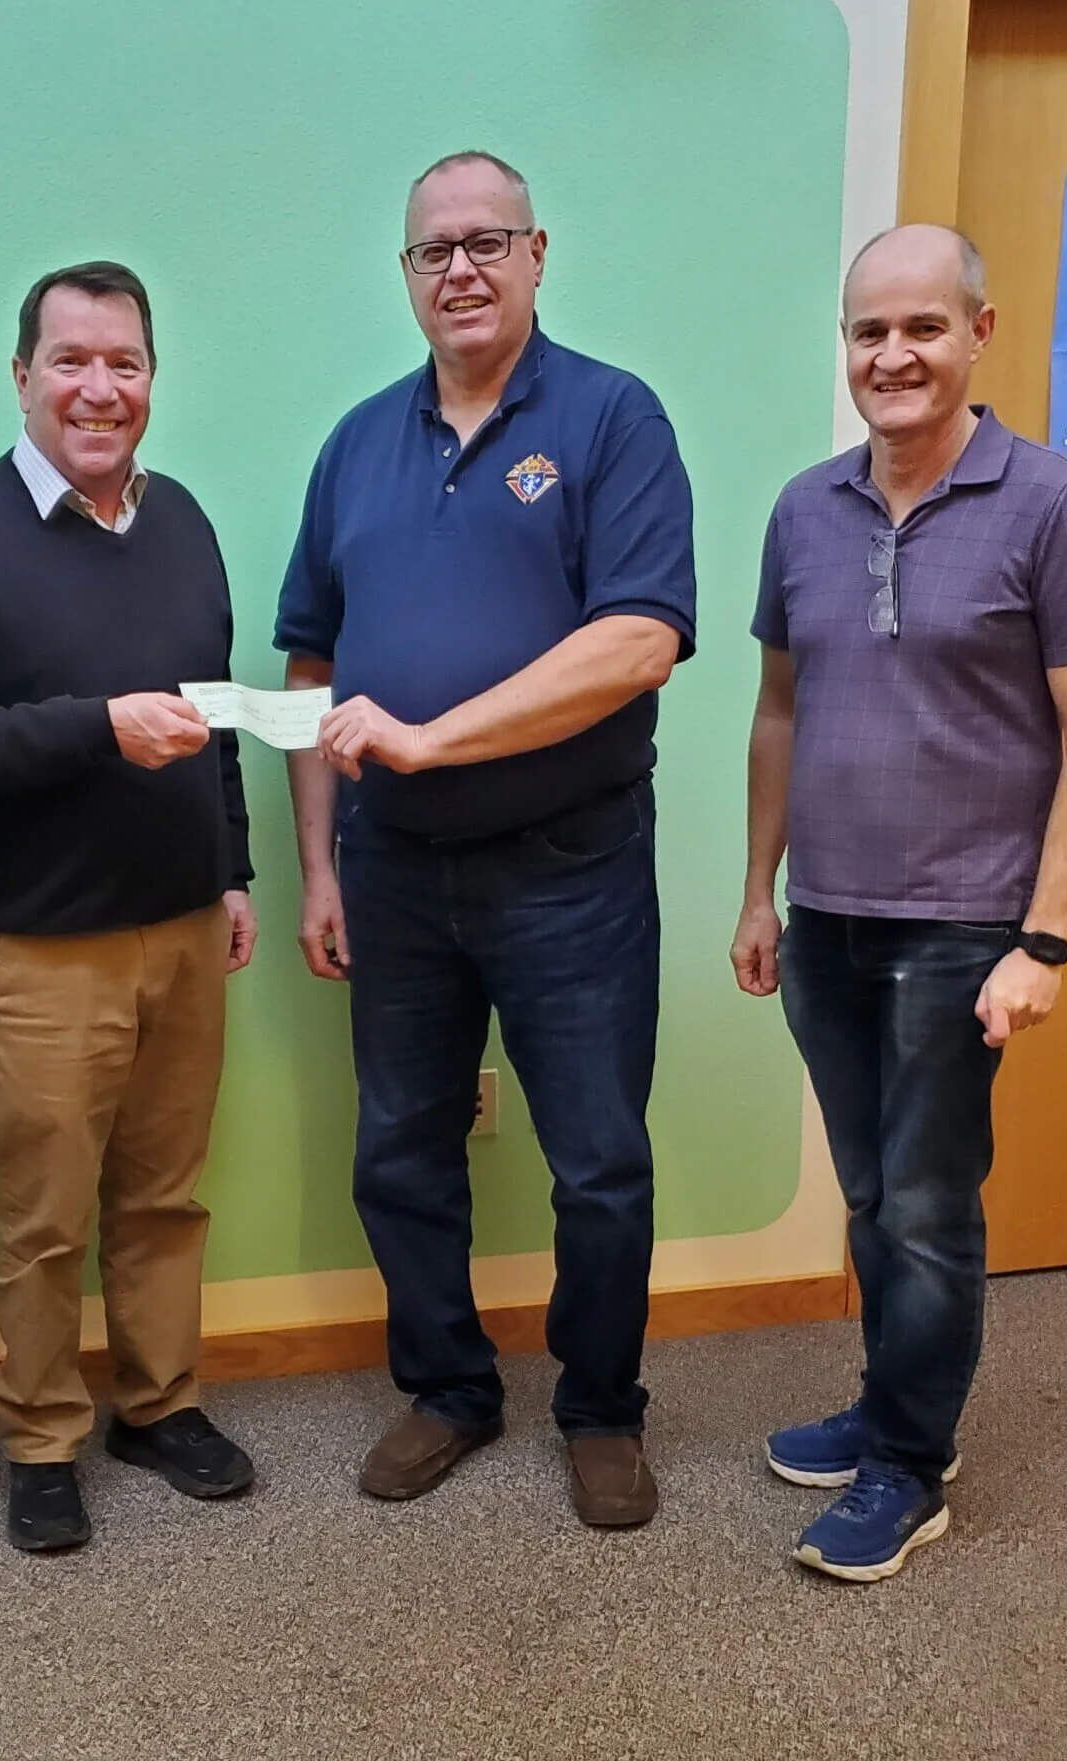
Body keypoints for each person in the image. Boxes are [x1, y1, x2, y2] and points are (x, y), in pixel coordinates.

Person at [274, 152, 696, 1527]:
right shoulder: (354, 444)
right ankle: (450, 1386)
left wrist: (435, 738)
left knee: (597, 1161)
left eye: (486, 243)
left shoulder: (611, 418)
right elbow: (311, 664)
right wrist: (324, 860)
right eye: (432, 250)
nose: (459, 268)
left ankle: (600, 1407)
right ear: (405, 275)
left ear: (535, 254)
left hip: (568, 867)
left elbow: (637, 642)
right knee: (398, 1143)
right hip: (393, 870)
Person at [731, 223, 1067, 1582]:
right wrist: (755, 890)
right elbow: (777, 714)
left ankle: (910, 1463)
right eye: (868, 333)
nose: (892, 356)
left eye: (921, 328)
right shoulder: (805, 507)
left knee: (926, 1198)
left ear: (981, 331)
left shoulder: (1055, 504)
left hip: (967, 925)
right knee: (870, 1188)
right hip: (828, 915)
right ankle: (894, 1405)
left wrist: (1046, 935)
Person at [0, 261, 258, 1553]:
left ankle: (159, 1403)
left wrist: (236, 867)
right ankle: (41, 1430)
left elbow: (215, 721)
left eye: (127, 363)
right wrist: (95, 727)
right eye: (73, 360)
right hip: (36, 944)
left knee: (166, 1195)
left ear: (153, 378)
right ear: (24, 374)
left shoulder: (186, 520)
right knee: (45, 1217)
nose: (102, 387)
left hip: (184, 926)